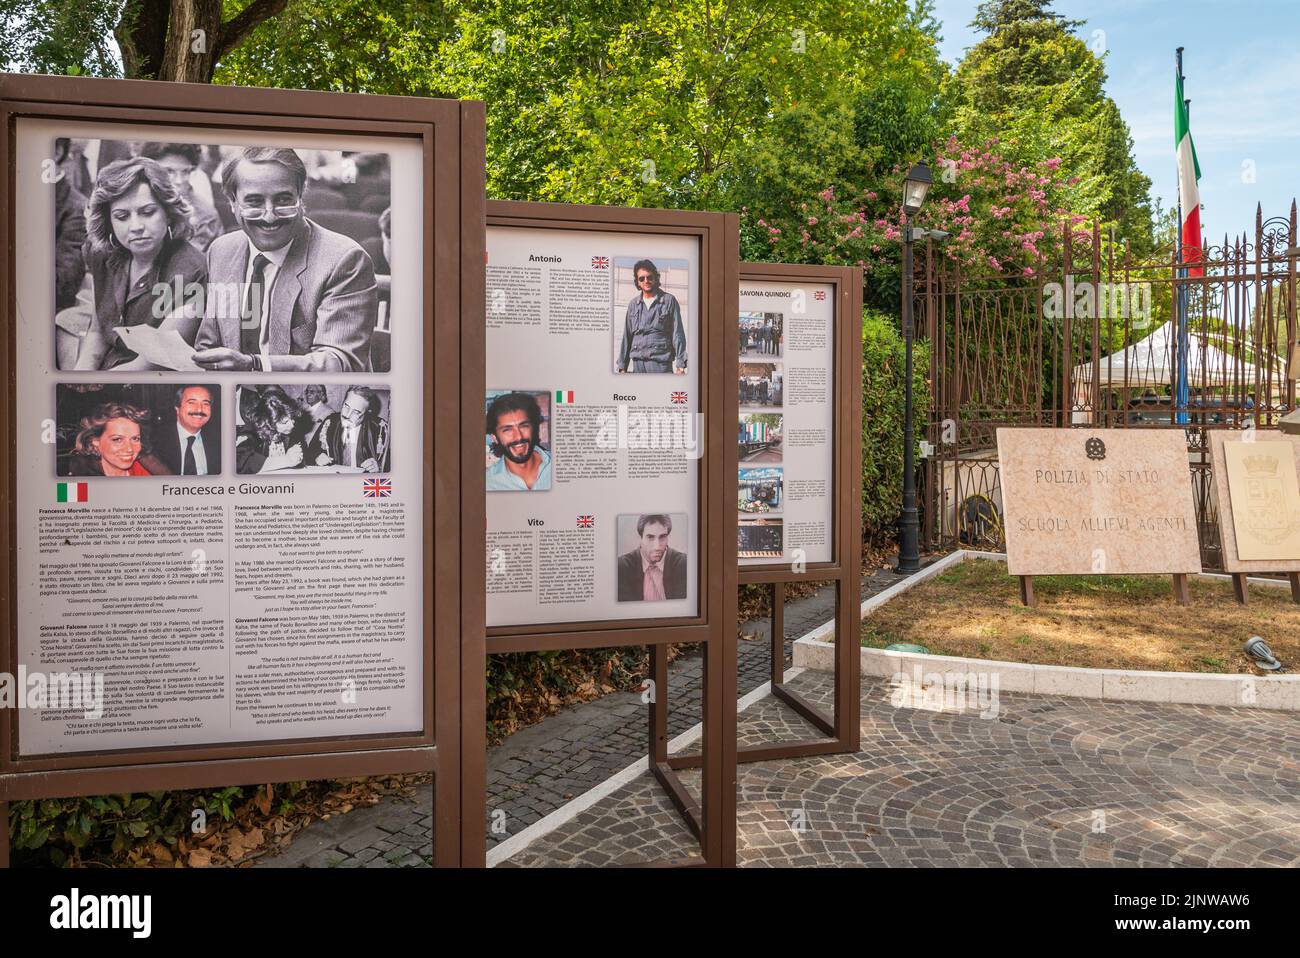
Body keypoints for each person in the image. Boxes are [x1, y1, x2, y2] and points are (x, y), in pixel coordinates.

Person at [193, 146, 378, 373]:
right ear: (232, 203)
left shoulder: (345, 261)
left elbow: (339, 363)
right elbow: (209, 341)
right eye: (254, 202)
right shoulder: (221, 250)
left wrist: (255, 366)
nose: (269, 216)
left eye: (283, 200)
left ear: (300, 197)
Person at [74, 156, 208, 371]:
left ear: (169, 214)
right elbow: (98, 332)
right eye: (122, 216)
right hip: (109, 370)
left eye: (147, 212)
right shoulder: (102, 255)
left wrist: (93, 385)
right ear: (109, 221)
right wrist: (78, 377)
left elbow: (151, 363)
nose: (135, 226)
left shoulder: (192, 271)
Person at [141, 142, 224, 251]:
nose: (179, 181)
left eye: (186, 171)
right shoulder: (130, 200)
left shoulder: (206, 217)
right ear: (147, 170)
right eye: (169, 171)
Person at [616, 259, 686, 374]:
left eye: (649, 277)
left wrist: (680, 365)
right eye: (641, 278)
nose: (646, 281)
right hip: (638, 366)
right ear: (637, 282)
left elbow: (677, 334)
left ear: (656, 278)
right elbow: (627, 336)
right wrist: (622, 366)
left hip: (660, 365)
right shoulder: (633, 305)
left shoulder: (669, 301)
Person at [309, 385, 391, 473]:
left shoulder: (379, 428)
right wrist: (317, 457)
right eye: (346, 406)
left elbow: (396, 463)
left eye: (356, 412)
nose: (347, 415)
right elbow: (310, 451)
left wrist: (379, 466)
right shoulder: (330, 422)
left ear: (366, 413)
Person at [63, 402, 154, 476]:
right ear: (95, 441)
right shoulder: (77, 481)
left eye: (135, 439)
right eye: (118, 439)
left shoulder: (147, 472)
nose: (130, 449)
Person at [147, 385, 220, 476]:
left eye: (205, 403)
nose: (199, 409)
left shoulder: (219, 441)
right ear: (177, 408)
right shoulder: (154, 441)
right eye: (192, 402)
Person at [485, 392, 551, 491]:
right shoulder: (488, 484)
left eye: (524, 426)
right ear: (495, 438)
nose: (519, 437)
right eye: (508, 430)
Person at [236, 388, 311, 474]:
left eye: (292, 419)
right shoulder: (252, 432)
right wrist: (286, 460)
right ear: (268, 422)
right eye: (285, 422)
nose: (292, 425)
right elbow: (239, 462)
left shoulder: (289, 431)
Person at [616, 514, 687, 601]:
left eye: (662, 537)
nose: (657, 547)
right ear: (640, 538)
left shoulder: (684, 563)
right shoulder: (622, 567)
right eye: (650, 537)